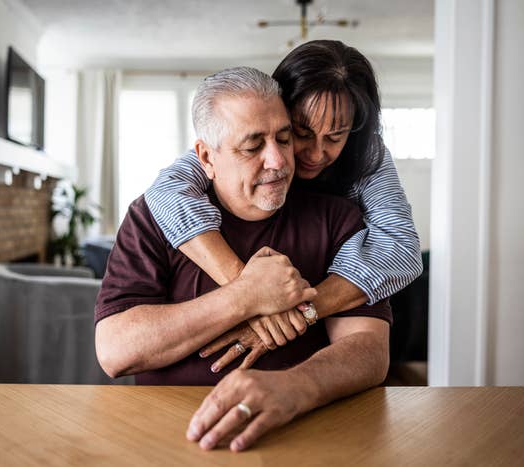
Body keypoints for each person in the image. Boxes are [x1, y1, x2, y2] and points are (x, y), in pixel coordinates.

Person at [95, 67, 391, 451]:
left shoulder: (338, 217)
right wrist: (244, 297)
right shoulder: (152, 215)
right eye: (253, 147)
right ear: (206, 156)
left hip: (306, 432)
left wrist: (295, 386)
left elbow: (370, 351)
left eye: (285, 138)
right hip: (167, 439)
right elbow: (115, 351)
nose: (279, 161)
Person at [144, 40, 421, 369]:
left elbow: (401, 245)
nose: (316, 155)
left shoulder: (366, 153)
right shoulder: (227, 151)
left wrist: (298, 311)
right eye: (301, 133)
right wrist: (250, 290)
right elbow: (166, 192)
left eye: (335, 137)